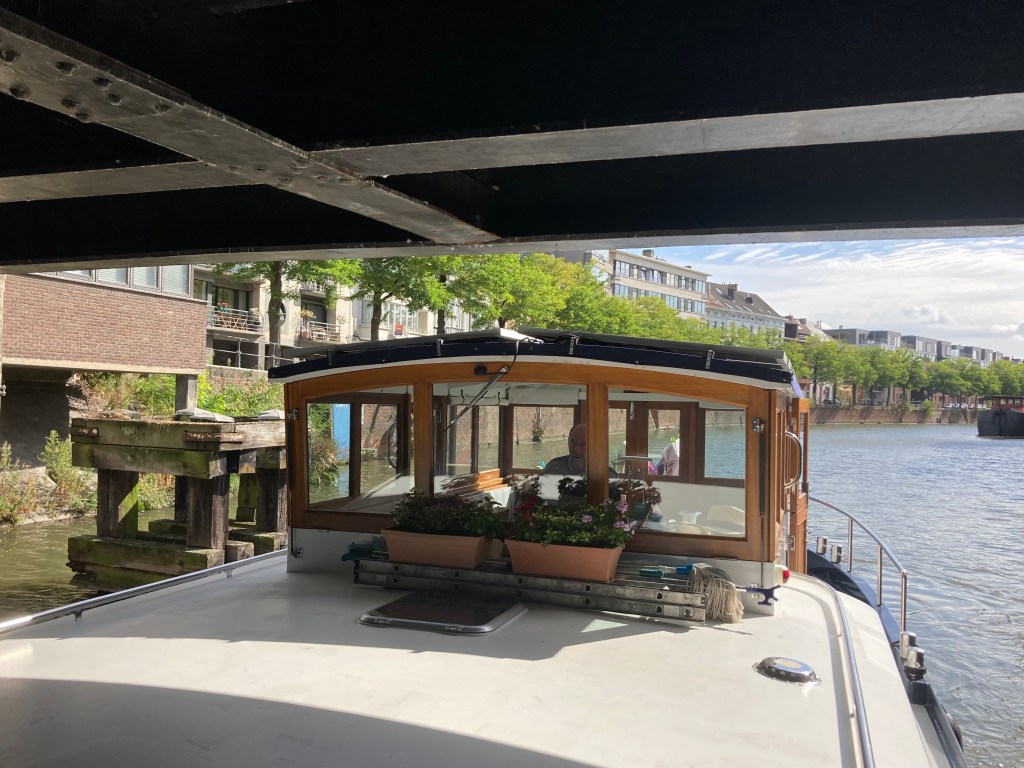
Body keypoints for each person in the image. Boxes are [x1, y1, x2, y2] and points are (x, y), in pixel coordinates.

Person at [542, 423, 617, 476]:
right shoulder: (553, 467)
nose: (576, 450)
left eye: (583, 445)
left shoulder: (608, 475)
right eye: (573, 443)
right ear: (568, 442)